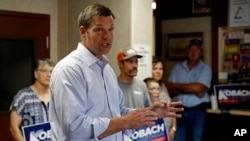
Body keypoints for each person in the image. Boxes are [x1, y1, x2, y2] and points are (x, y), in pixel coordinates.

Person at [49, 3, 183, 141]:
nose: (107, 36)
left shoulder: (107, 70)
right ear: (83, 32)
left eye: (111, 29)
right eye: (99, 30)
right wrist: (125, 122)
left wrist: (150, 113)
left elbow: (118, 112)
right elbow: (75, 128)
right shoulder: (70, 70)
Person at [166, 39, 212, 141]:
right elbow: (169, 88)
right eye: (191, 49)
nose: (193, 52)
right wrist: (193, 90)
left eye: (196, 50)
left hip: (197, 112)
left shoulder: (205, 69)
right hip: (179, 111)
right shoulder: (177, 68)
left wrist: (176, 86)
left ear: (201, 53)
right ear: (187, 51)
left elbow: (198, 88)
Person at [9, 58, 55, 141]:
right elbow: (13, 128)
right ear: (36, 74)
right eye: (45, 71)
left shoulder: (56, 95)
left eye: (52, 72)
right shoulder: (23, 96)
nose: (49, 75)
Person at [152, 57, 176, 141]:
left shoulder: (163, 85)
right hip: (156, 132)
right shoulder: (147, 87)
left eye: (161, 69)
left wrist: (173, 128)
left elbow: (171, 107)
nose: (158, 71)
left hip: (168, 131)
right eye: (155, 68)